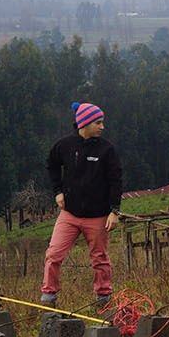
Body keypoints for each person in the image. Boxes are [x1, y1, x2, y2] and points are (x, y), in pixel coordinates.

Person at [43, 102, 123, 308]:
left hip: (98, 217)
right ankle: (49, 298)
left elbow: (116, 181)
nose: (102, 126)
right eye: (98, 122)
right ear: (85, 123)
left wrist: (114, 211)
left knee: (100, 259)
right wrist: (58, 191)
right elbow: (51, 164)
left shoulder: (107, 150)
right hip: (69, 214)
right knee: (53, 254)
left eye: (103, 122)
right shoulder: (64, 145)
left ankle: (103, 299)